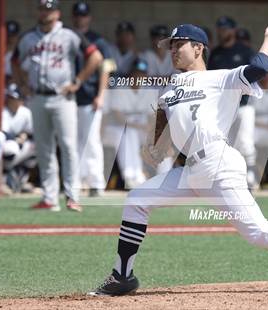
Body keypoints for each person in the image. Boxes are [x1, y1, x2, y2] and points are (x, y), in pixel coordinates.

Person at [90, 24, 268, 296]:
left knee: (259, 233)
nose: (173, 50)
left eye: (179, 44)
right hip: (190, 170)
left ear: (199, 48)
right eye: (171, 45)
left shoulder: (221, 78)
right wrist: (155, 146)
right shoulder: (170, 87)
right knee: (138, 200)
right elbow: (161, 138)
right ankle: (122, 276)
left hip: (219, 165)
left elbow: (261, 67)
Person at [11, 0, 103, 211]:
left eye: (50, 9)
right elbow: (15, 61)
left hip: (63, 98)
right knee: (44, 148)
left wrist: (78, 81)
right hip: (38, 96)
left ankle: (72, 196)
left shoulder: (69, 34)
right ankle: (50, 198)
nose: (46, 13)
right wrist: (21, 84)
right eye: (43, 9)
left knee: (69, 146)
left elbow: (95, 57)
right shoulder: (29, 37)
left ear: (58, 13)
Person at [208, 16, 258, 188]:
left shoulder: (245, 51)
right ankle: (226, 178)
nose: (222, 32)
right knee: (221, 143)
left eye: (226, 29)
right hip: (221, 107)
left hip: (243, 104)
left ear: (234, 30)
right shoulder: (215, 53)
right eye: (220, 29)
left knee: (244, 142)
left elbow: (254, 76)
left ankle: (250, 174)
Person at [72, 1, 112, 197]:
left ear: (89, 17)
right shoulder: (68, 37)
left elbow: (106, 68)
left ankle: (96, 183)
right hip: (70, 98)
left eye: (84, 15)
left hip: (90, 96)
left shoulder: (98, 40)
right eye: (78, 15)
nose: (81, 18)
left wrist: (101, 95)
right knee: (74, 141)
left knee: (91, 140)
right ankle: (77, 181)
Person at [102, 58, 158, 188]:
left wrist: (151, 128)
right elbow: (118, 117)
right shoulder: (120, 88)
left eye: (142, 74)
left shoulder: (148, 89)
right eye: (136, 73)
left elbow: (152, 116)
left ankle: (164, 177)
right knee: (128, 132)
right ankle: (131, 175)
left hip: (141, 130)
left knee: (161, 136)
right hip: (116, 129)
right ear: (131, 74)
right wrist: (141, 126)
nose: (139, 77)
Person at [0, 83, 35, 193]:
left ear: (21, 101)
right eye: (10, 98)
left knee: (38, 146)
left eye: (14, 98)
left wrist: (25, 136)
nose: (11, 101)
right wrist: (18, 138)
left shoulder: (25, 112)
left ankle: (22, 180)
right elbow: (4, 133)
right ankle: (4, 181)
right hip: (7, 144)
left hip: (20, 145)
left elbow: (33, 132)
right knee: (11, 147)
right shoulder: (2, 111)